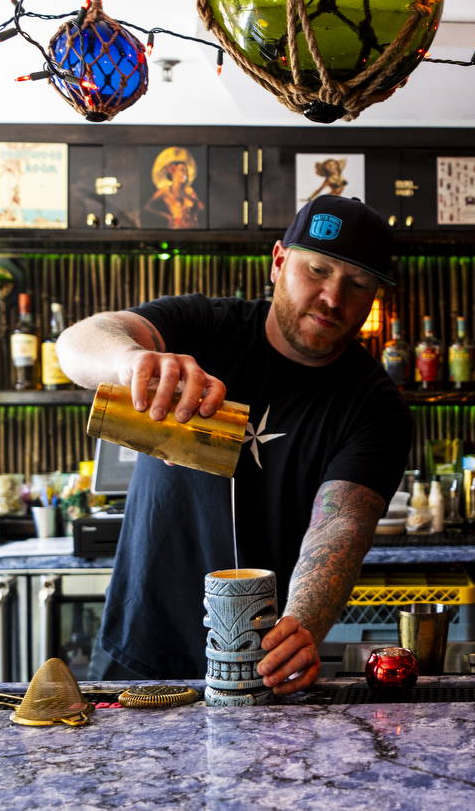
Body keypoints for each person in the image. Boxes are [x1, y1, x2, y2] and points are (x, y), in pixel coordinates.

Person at [57, 196, 412, 693]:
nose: (333, 298)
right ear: (279, 261)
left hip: (261, 663)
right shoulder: (205, 326)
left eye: (357, 284)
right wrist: (131, 362)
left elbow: (340, 526)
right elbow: (77, 344)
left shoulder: (375, 406)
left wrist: (302, 624)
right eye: (317, 270)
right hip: (142, 645)